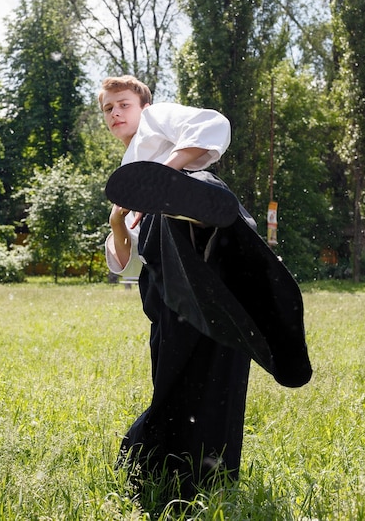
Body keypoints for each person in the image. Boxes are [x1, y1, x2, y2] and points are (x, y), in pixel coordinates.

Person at [100, 75, 311, 499]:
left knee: (197, 193)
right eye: (107, 109)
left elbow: (211, 125)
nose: (116, 113)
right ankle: (192, 473)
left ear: (142, 106)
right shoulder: (125, 178)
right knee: (186, 369)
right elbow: (122, 262)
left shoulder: (158, 121)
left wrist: (162, 177)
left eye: (123, 104)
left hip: (193, 223)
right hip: (167, 283)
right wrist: (118, 221)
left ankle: (202, 222)